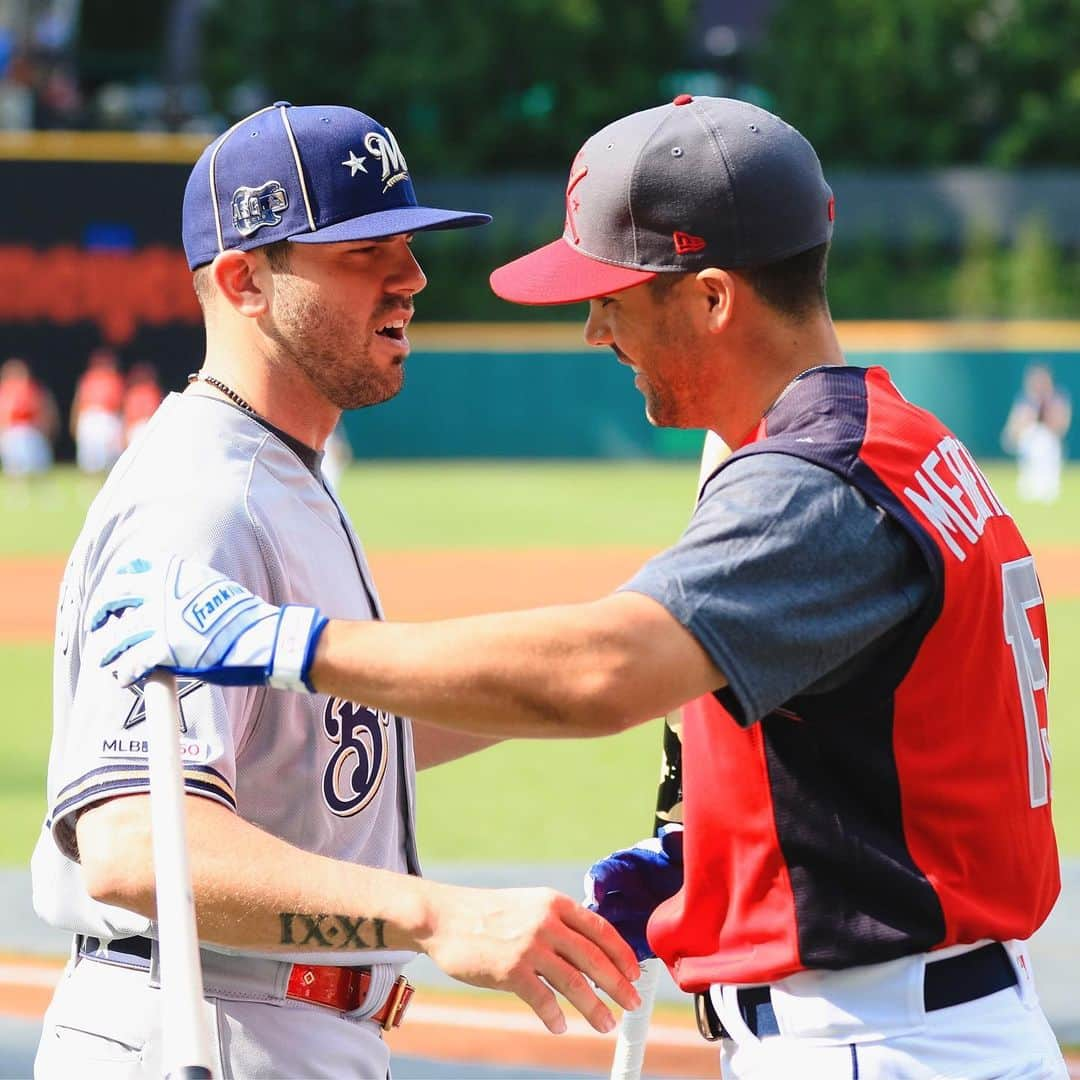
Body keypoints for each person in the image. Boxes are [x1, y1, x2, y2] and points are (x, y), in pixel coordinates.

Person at [87, 96, 1065, 1079]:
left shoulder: (813, 479)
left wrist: (287, 643)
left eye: (615, 294)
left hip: (877, 1037)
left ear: (712, 299)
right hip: (907, 1015)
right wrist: (725, 857)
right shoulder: (896, 445)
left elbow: (605, 671)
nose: (596, 329)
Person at [30, 101, 640, 1080]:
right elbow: (133, 844)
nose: (411, 276)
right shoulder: (203, 497)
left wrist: (598, 680)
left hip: (263, 1018)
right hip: (200, 1025)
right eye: (364, 251)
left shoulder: (278, 469)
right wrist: (439, 912)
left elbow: (325, 743)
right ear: (244, 281)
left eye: (405, 242)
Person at [1001, 362, 1071, 503]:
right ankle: (1030, 483)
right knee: (1033, 437)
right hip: (1029, 439)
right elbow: (1016, 424)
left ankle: (1048, 486)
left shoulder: (1056, 398)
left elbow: (1061, 423)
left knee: (1044, 439)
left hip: (1050, 440)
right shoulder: (1026, 400)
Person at [70, 345, 125, 474]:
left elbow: (121, 407)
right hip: (90, 418)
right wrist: (75, 424)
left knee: (110, 458)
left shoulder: (115, 379)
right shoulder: (88, 378)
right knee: (90, 459)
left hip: (108, 419)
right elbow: (78, 403)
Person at [0, 356, 57, 480]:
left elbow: (46, 412)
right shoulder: (5, 392)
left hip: (31, 432)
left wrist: (45, 432)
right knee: (16, 471)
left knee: (39, 469)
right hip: (12, 433)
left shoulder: (33, 390)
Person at [122, 361, 164, 447]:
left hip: (151, 429)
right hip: (134, 431)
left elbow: (157, 417)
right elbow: (127, 419)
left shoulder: (153, 392)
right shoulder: (132, 393)